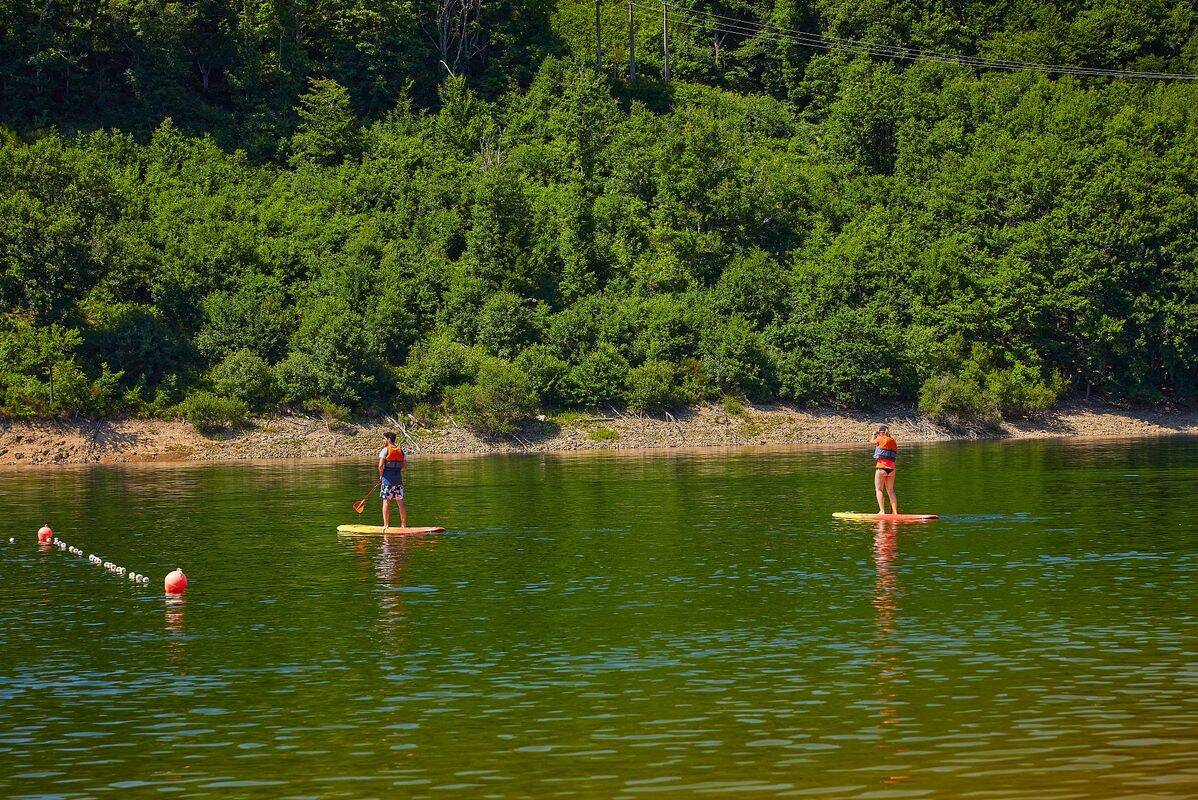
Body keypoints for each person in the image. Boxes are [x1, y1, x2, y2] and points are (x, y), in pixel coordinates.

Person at [378, 432, 407, 530]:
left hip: (387, 480)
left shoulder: (385, 450)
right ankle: (403, 525)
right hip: (398, 480)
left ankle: (386, 525)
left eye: (384, 439)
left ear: (388, 439)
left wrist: (381, 477)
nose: (383, 441)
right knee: (400, 502)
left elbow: (381, 466)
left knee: (386, 502)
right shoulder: (401, 451)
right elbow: (404, 468)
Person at [871, 425, 899, 515]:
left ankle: (882, 511)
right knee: (891, 490)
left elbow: (871, 442)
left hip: (881, 468)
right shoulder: (893, 441)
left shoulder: (880, 439)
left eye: (879, 432)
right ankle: (895, 512)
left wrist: (873, 435)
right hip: (892, 469)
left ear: (881, 432)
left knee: (878, 490)